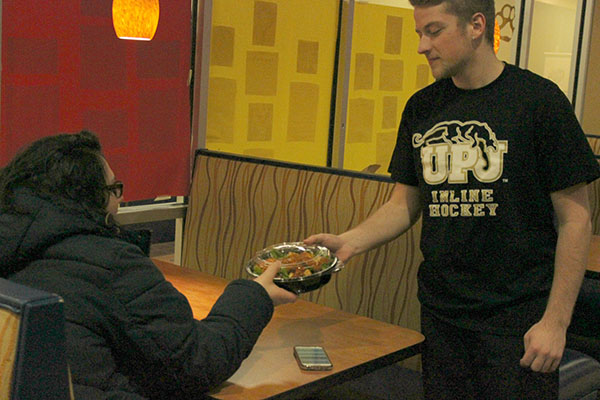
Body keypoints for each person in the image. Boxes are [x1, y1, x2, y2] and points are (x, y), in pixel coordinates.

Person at [305, 0, 600, 398]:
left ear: (476, 25)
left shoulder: (539, 103)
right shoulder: (422, 107)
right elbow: (403, 204)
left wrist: (556, 322)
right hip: (442, 313)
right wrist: (350, 241)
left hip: (517, 319)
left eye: (434, 30)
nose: (422, 46)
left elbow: (576, 219)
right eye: (419, 33)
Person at [0, 130, 297, 399]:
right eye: (113, 189)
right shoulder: (110, 263)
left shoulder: (13, 246)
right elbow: (197, 362)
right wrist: (255, 295)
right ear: (88, 199)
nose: (122, 198)